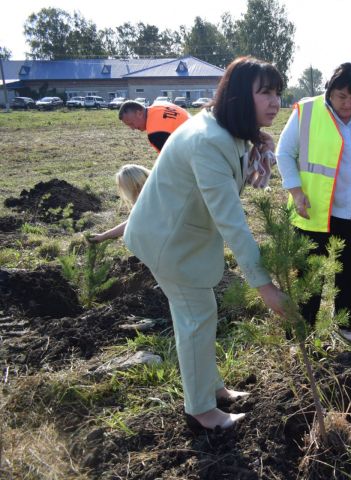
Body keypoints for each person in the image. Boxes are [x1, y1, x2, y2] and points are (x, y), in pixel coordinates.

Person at [123, 56, 288, 431]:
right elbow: (231, 220)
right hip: (168, 240)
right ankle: (201, 409)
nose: (275, 101)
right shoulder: (209, 141)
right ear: (238, 95)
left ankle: (212, 388)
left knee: (202, 313)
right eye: (265, 92)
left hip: (181, 234)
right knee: (196, 317)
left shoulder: (226, 129)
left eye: (277, 92)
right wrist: (264, 286)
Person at [276, 62, 351, 345]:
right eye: (342, 96)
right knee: (310, 273)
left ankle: (346, 324)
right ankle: (300, 335)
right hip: (315, 210)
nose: (348, 104)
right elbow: (283, 153)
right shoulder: (306, 112)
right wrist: (295, 192)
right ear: (330, 91)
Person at [88, 164, 150, 243]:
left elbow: (134, 223)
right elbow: (133, 221)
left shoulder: (156, 198)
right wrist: (103, 236)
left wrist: (104, 236)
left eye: (137, 187)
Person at [118, 99, 190, 153]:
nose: (132, 128)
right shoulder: (160, 105)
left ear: (139, 113)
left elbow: (170, 161)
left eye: (131, 123)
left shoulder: (155, 133)